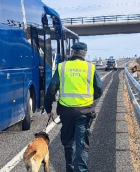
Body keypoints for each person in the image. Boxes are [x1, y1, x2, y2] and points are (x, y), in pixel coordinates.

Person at [44, 42, 103, 172]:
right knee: (81, 144)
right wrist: (88, 100)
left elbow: (52, 89)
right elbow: (99, 89)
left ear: (73, 52)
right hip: (84, 112)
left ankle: (70, 169)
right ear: (84, 53)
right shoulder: (90, 68)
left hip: (66, 112)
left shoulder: (62, 67)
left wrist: (48, 108)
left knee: (69, 142)